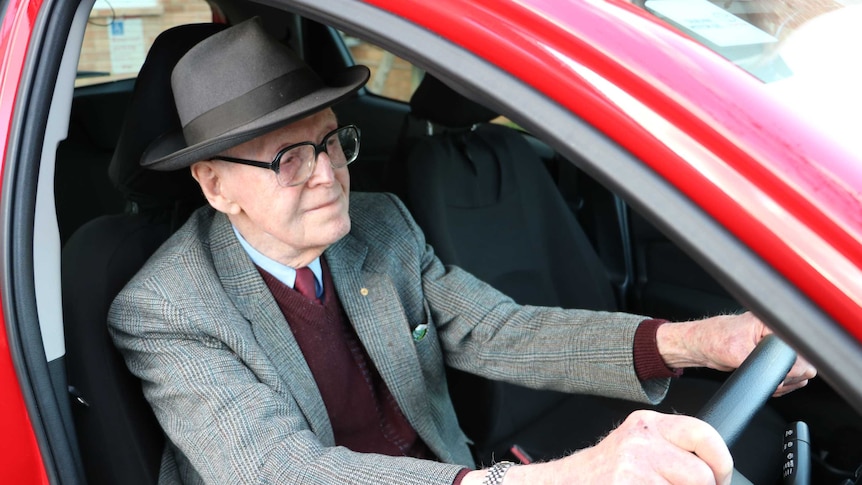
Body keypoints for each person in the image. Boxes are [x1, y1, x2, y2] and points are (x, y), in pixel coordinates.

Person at [108, 17, 815, 485]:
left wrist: (705, 340)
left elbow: (502, 331)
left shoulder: (379, 225)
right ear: (215, 184)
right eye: (289, 158)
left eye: (330, 141)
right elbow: (281, 470)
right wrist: (572, 473)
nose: (328, 174)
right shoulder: (165, 308)